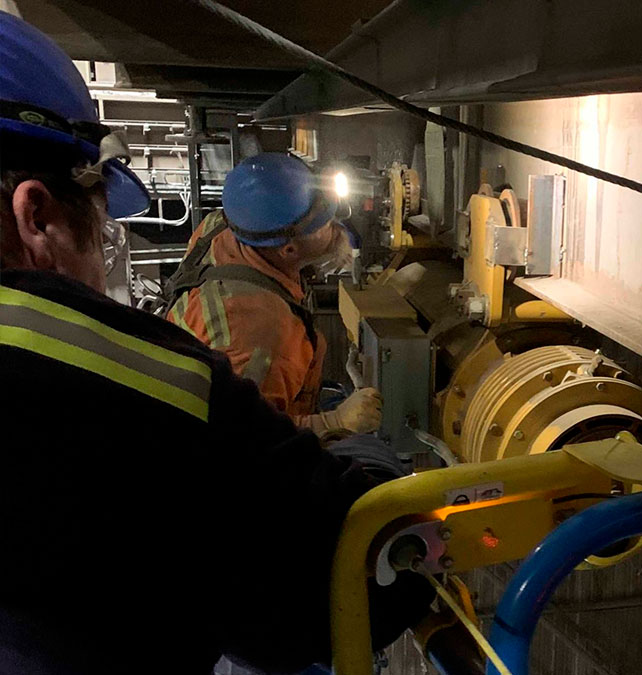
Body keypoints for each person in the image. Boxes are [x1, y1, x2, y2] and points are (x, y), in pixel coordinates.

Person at [0, 12, 429, 675]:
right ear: (38, 218)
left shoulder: (218, 231)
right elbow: (347, 571)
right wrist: (345, 432)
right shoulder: (204, 361)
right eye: (101, 228)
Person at [166, 152, 381, 436]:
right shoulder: (264, 333)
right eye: (325, 224)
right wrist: (334, 422)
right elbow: (245, 441)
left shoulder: (222, 226)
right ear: (288, 249)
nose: (339, 221)